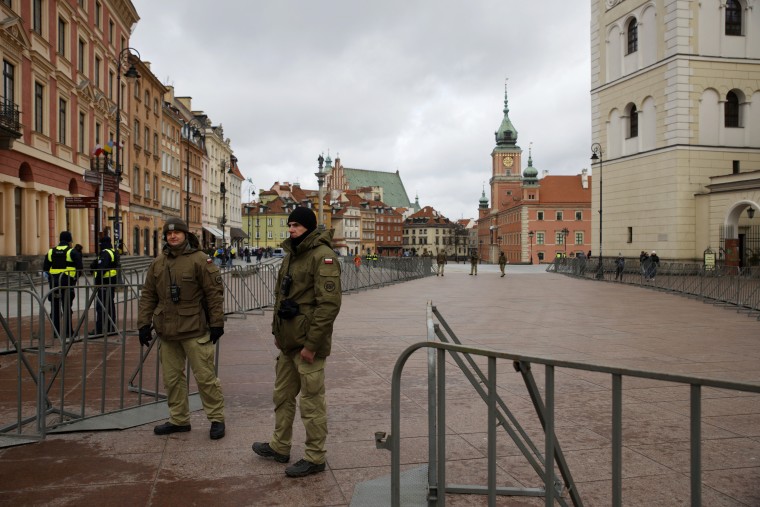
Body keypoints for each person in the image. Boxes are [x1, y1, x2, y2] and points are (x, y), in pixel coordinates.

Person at [252, 206, 342, 478]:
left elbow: (328, 306)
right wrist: (277, 335)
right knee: (282, 396)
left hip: (307, 346)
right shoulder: (292, 254)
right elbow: (282, 298)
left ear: (309, 228)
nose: (290, 229)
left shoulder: (322, 257)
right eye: (289, 225)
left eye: (296, 226)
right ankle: (280, 446)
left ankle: (315, 457)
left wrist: (311, 346)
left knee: (311, 403)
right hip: (289, 342)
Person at [137, 217, 226, 440]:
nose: (173, 236)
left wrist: (217, 323)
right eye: (169, 234)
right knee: (172, 379)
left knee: (205, 377)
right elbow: (148, 295)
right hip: (167, 331)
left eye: (177, 233)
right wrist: (143, 324)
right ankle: (179, 419)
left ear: (186, 235)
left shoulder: (200, 260)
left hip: (195, 329)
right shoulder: (158, 263)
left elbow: (214, 294)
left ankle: (216, 418)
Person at [43, 231, 83, 338]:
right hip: (67, 283)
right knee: (66, 307)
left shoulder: (51, 251)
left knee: (55, 308)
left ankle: (55, 332)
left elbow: (45, 269)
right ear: (69, 240)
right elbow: (80, 268)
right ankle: (68, 332)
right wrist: (74, 279)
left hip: (54, 284)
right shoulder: (72, 252)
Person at [90, 236, 119, 337]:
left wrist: (97, 281)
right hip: (110, 281)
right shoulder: (112, 251)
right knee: (110, 304)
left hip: (104, 282)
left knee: (101, 306)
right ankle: (110, 327)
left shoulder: (105, 253)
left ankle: (100, 329)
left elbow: (101, 268)